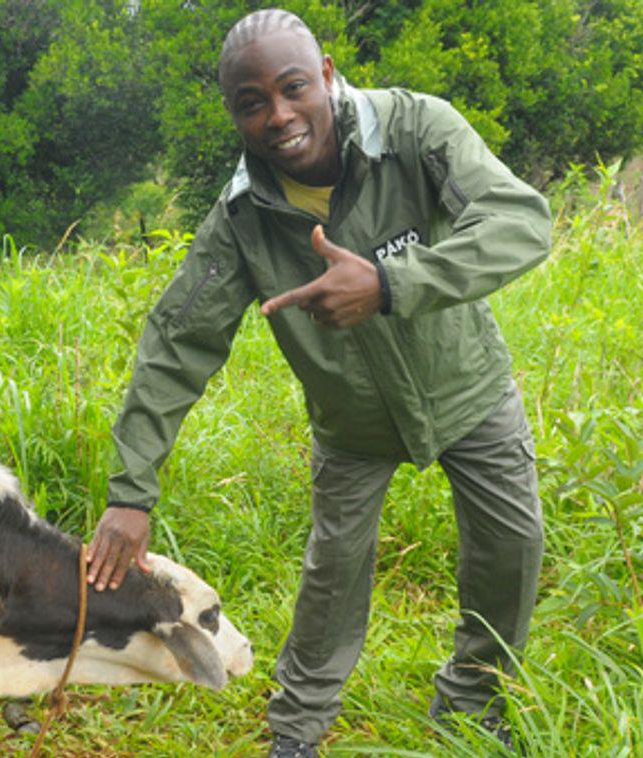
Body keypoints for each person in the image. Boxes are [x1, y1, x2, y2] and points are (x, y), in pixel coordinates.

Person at [85, 8, 549, 757]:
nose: (279, 116)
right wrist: (129, 491)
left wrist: (392, 282)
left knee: (510, 547)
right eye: (251, 102)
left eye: (293, 87)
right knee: (331, 579)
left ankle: (472, 703)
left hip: (470, 392)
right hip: (352, 424)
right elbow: (177, 342)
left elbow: (519, 221)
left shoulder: (416, 131)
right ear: (233, 113)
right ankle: (296, 730)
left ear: (327, 74)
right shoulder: (241, 218)